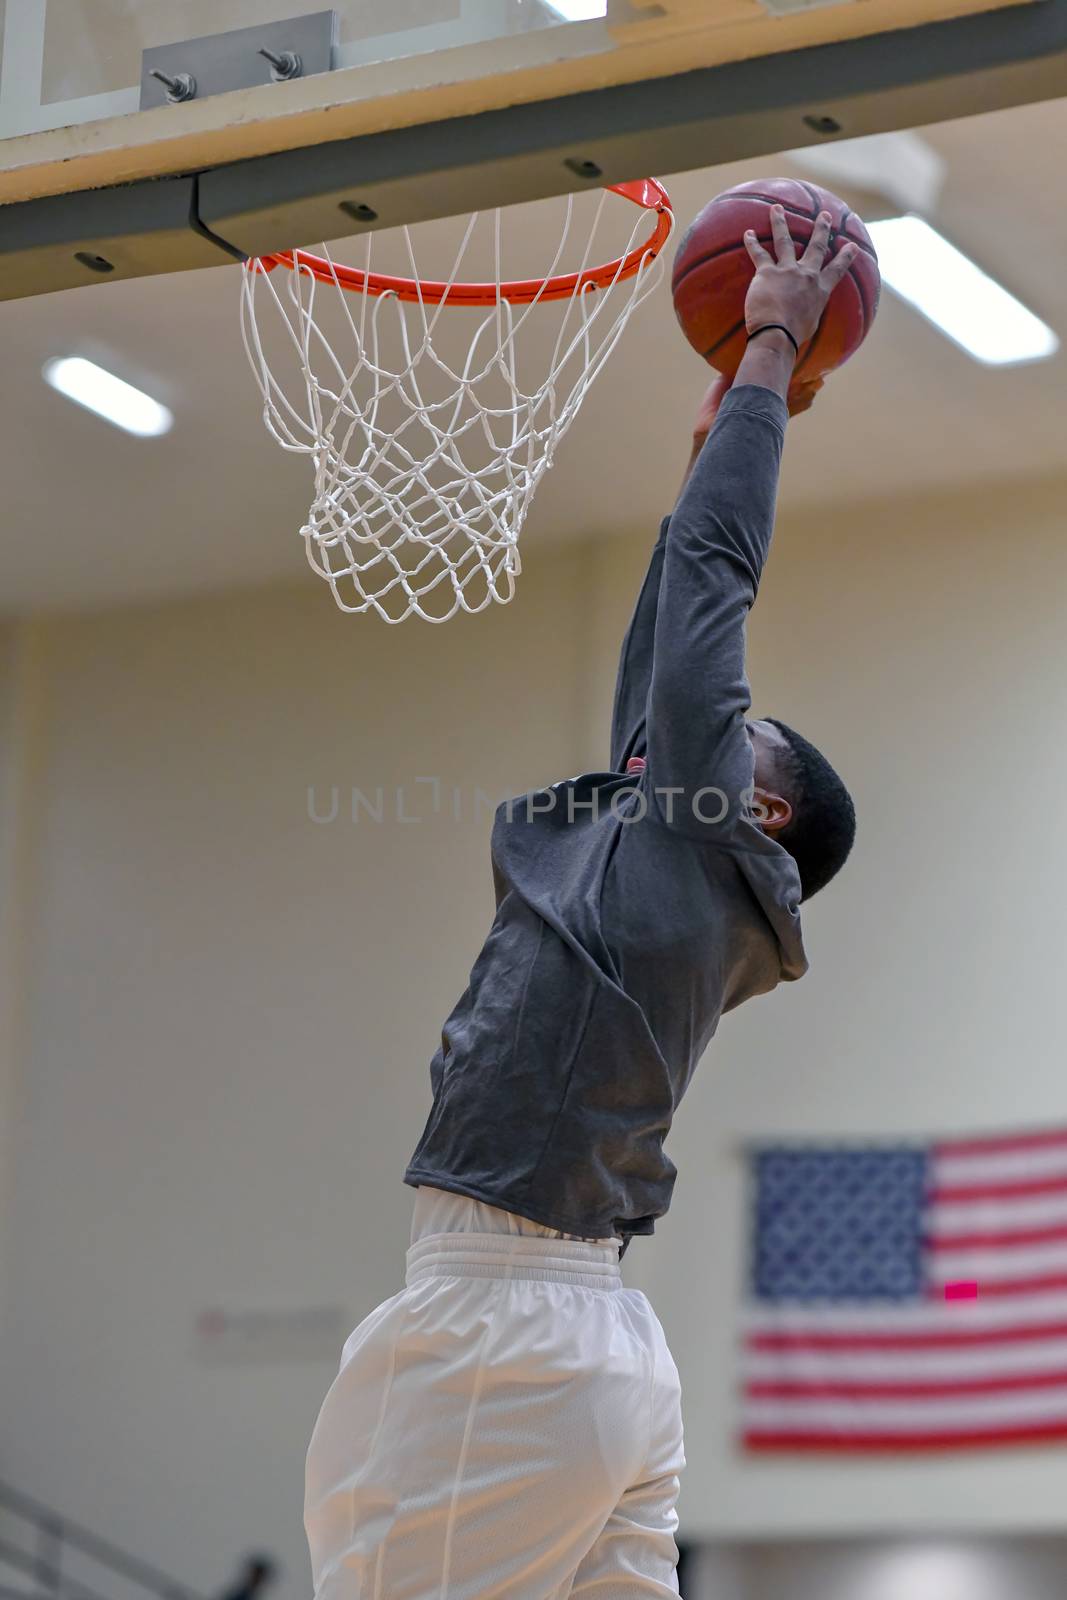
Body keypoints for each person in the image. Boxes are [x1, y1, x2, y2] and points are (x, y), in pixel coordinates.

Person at [305, 207, 859, 1599]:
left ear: (765, 808)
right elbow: (673, 624)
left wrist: (773, 348)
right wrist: (712, 434)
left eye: (743, 726)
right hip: (579, 1335)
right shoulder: (668, 847)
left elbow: (712, 600)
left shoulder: (703, 855)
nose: (700, 718)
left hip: (505, 1328)